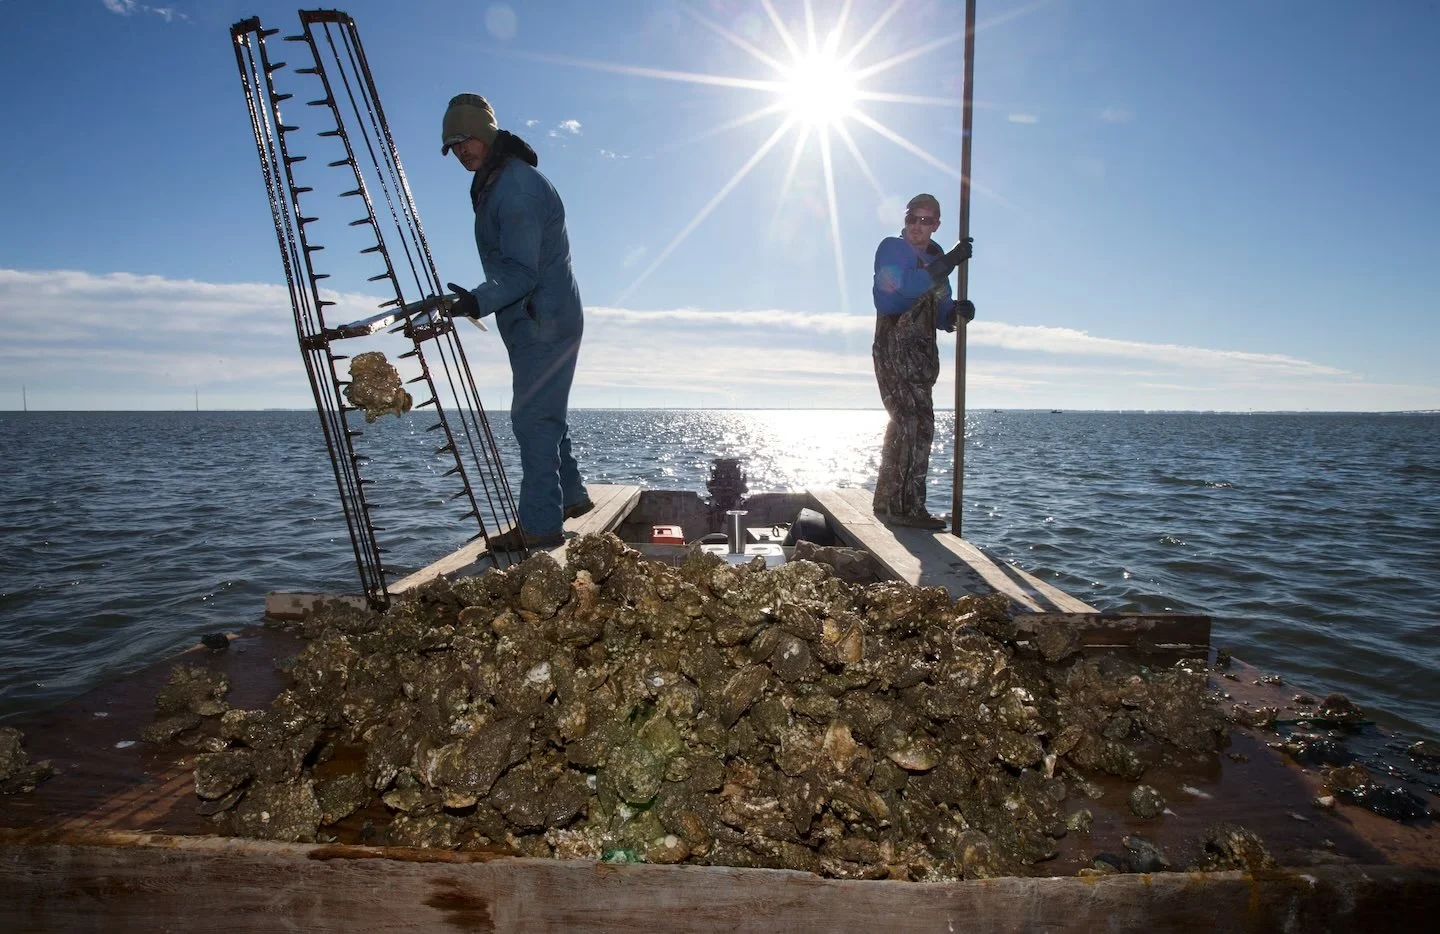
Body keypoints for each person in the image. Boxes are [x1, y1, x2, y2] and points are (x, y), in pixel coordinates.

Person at [440, 93, 591, 551]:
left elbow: (522, 272)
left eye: (466, 139)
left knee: (533, 418)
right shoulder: (495, 181)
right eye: (452, 145)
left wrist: (474, 302)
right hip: (534, 319)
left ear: (486, 135)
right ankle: (571, 498)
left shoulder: (516, 188)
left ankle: (541, 528)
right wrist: (471, 301)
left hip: (542, 317)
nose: (461, 150)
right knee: (544, 413)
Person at [870, 193, 975, 529]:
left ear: (936, 225)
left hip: (922, 357)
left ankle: (889, 502)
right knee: (912, 425)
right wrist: (950, 261)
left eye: (926, 220)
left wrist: (957, 312)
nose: (917, 226)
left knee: (913, 426)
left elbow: (941, 307)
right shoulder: (892, 249)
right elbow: (901, 291)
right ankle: (905, 509)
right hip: (893, 351)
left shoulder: (936, 258)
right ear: (905, 220)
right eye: (912, 218)